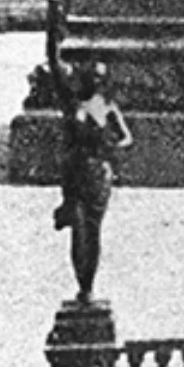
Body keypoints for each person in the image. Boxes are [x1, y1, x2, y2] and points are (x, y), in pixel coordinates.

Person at [46, 42, 134, 303]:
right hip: (74, 171)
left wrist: (110, 148)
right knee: (78, 226)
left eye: (98, 77)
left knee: (91, 230)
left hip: (98, 173)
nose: (93, 80)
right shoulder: (73, 105)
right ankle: (81, 282)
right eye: (91, 76)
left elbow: (126, 137)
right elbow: (53, 62)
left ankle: (88, 284)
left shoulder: (107, 107)